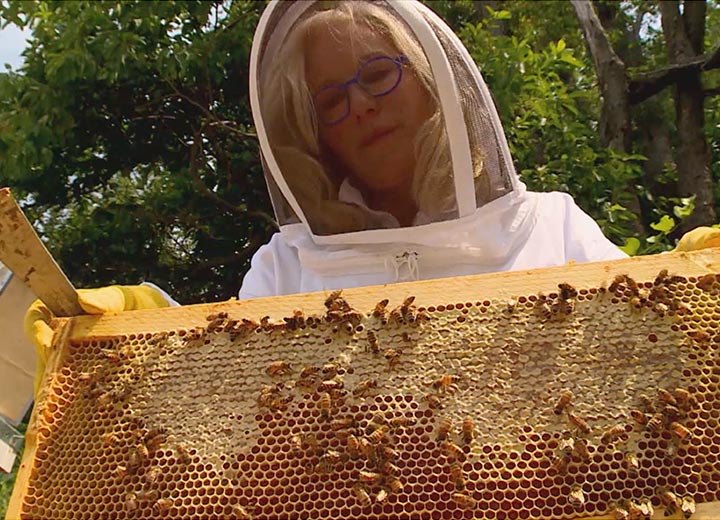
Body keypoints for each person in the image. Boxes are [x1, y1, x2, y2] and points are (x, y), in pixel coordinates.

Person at [24, 0, 720, 391]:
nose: (357, 105)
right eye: (330, 98)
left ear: (428, 79)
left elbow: (657, 357)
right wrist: (136, 337)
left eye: (376, 75)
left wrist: (691, 285)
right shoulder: (289, 266)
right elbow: (219, 392)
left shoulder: (551, 226)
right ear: (315, 134)